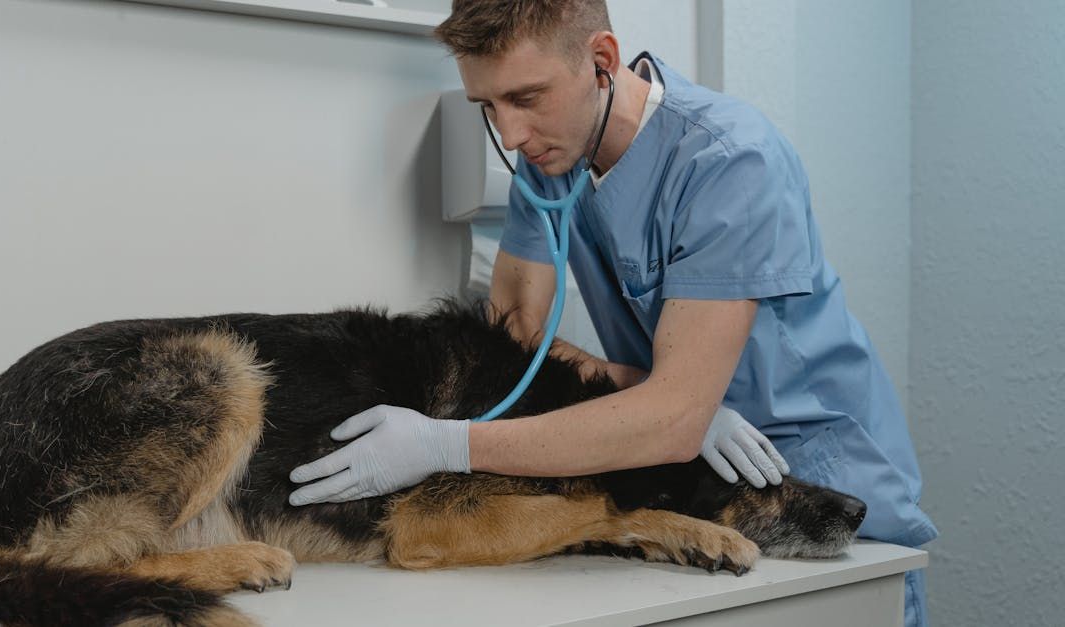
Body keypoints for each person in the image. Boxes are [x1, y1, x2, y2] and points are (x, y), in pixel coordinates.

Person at [288, 1, 936, 625]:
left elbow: (676, 422)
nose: (510, 135)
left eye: (526, 97)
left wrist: (444, 443)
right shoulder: (553, 158)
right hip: (690, 482)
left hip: (811, 480)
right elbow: (514, 336)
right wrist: (645, 392)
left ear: (602, 59)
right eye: (489, 105)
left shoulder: (730, 162)